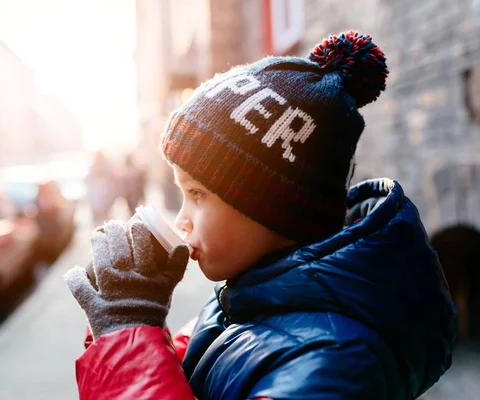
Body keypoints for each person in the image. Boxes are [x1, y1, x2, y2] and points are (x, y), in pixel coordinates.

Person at [65, 31, 457, 399]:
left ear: (275, 208)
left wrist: (127, 336)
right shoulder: (241, 301)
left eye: (197, 194)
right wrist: (130, 320)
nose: (182, 220)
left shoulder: (334, 359)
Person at [83, 150, 117, 227]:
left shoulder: (107, 167)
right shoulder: (92, 167)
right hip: (96, 198)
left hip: (105, 197)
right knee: (97, 220)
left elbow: (113, 181)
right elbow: (87, 181)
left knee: (106, 219)